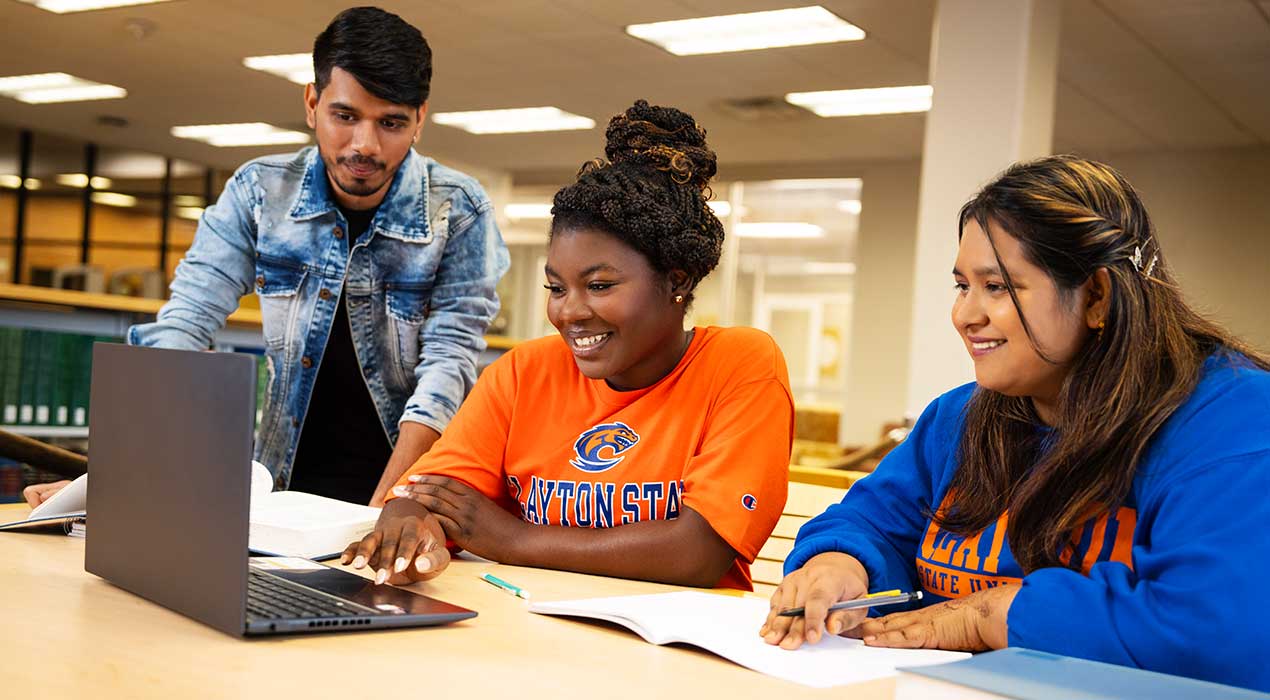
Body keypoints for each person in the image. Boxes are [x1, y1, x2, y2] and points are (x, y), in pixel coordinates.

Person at [760, 155, 1270, 692]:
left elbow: (1221, 635)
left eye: (998, 287)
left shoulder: (1231, 420)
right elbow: (871, 523)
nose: (965, 315)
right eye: (962, 286)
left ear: (1096, 296)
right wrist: (840, 566)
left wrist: (992, 616)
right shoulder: (958, 416)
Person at [23, 7, 509, 509]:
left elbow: (448, 365)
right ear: (311, 103)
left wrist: (387, 507)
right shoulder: (259, 191)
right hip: (281, 491)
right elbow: (183, 327)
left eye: (390, 123)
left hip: (402, 487)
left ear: (419, 120)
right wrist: (115, 477)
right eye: (345, 116)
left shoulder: (459, 208)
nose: (365, 145)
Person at [339, 100, 794, 591]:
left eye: (599, 286)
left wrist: (514, 539)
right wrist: (409, 525)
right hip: (533, 637)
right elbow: (429, 495)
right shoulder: (524, 372)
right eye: (556, 288)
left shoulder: (740, 364)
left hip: (674, 650)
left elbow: (696, 552)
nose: (568, 312)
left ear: (675, 281)